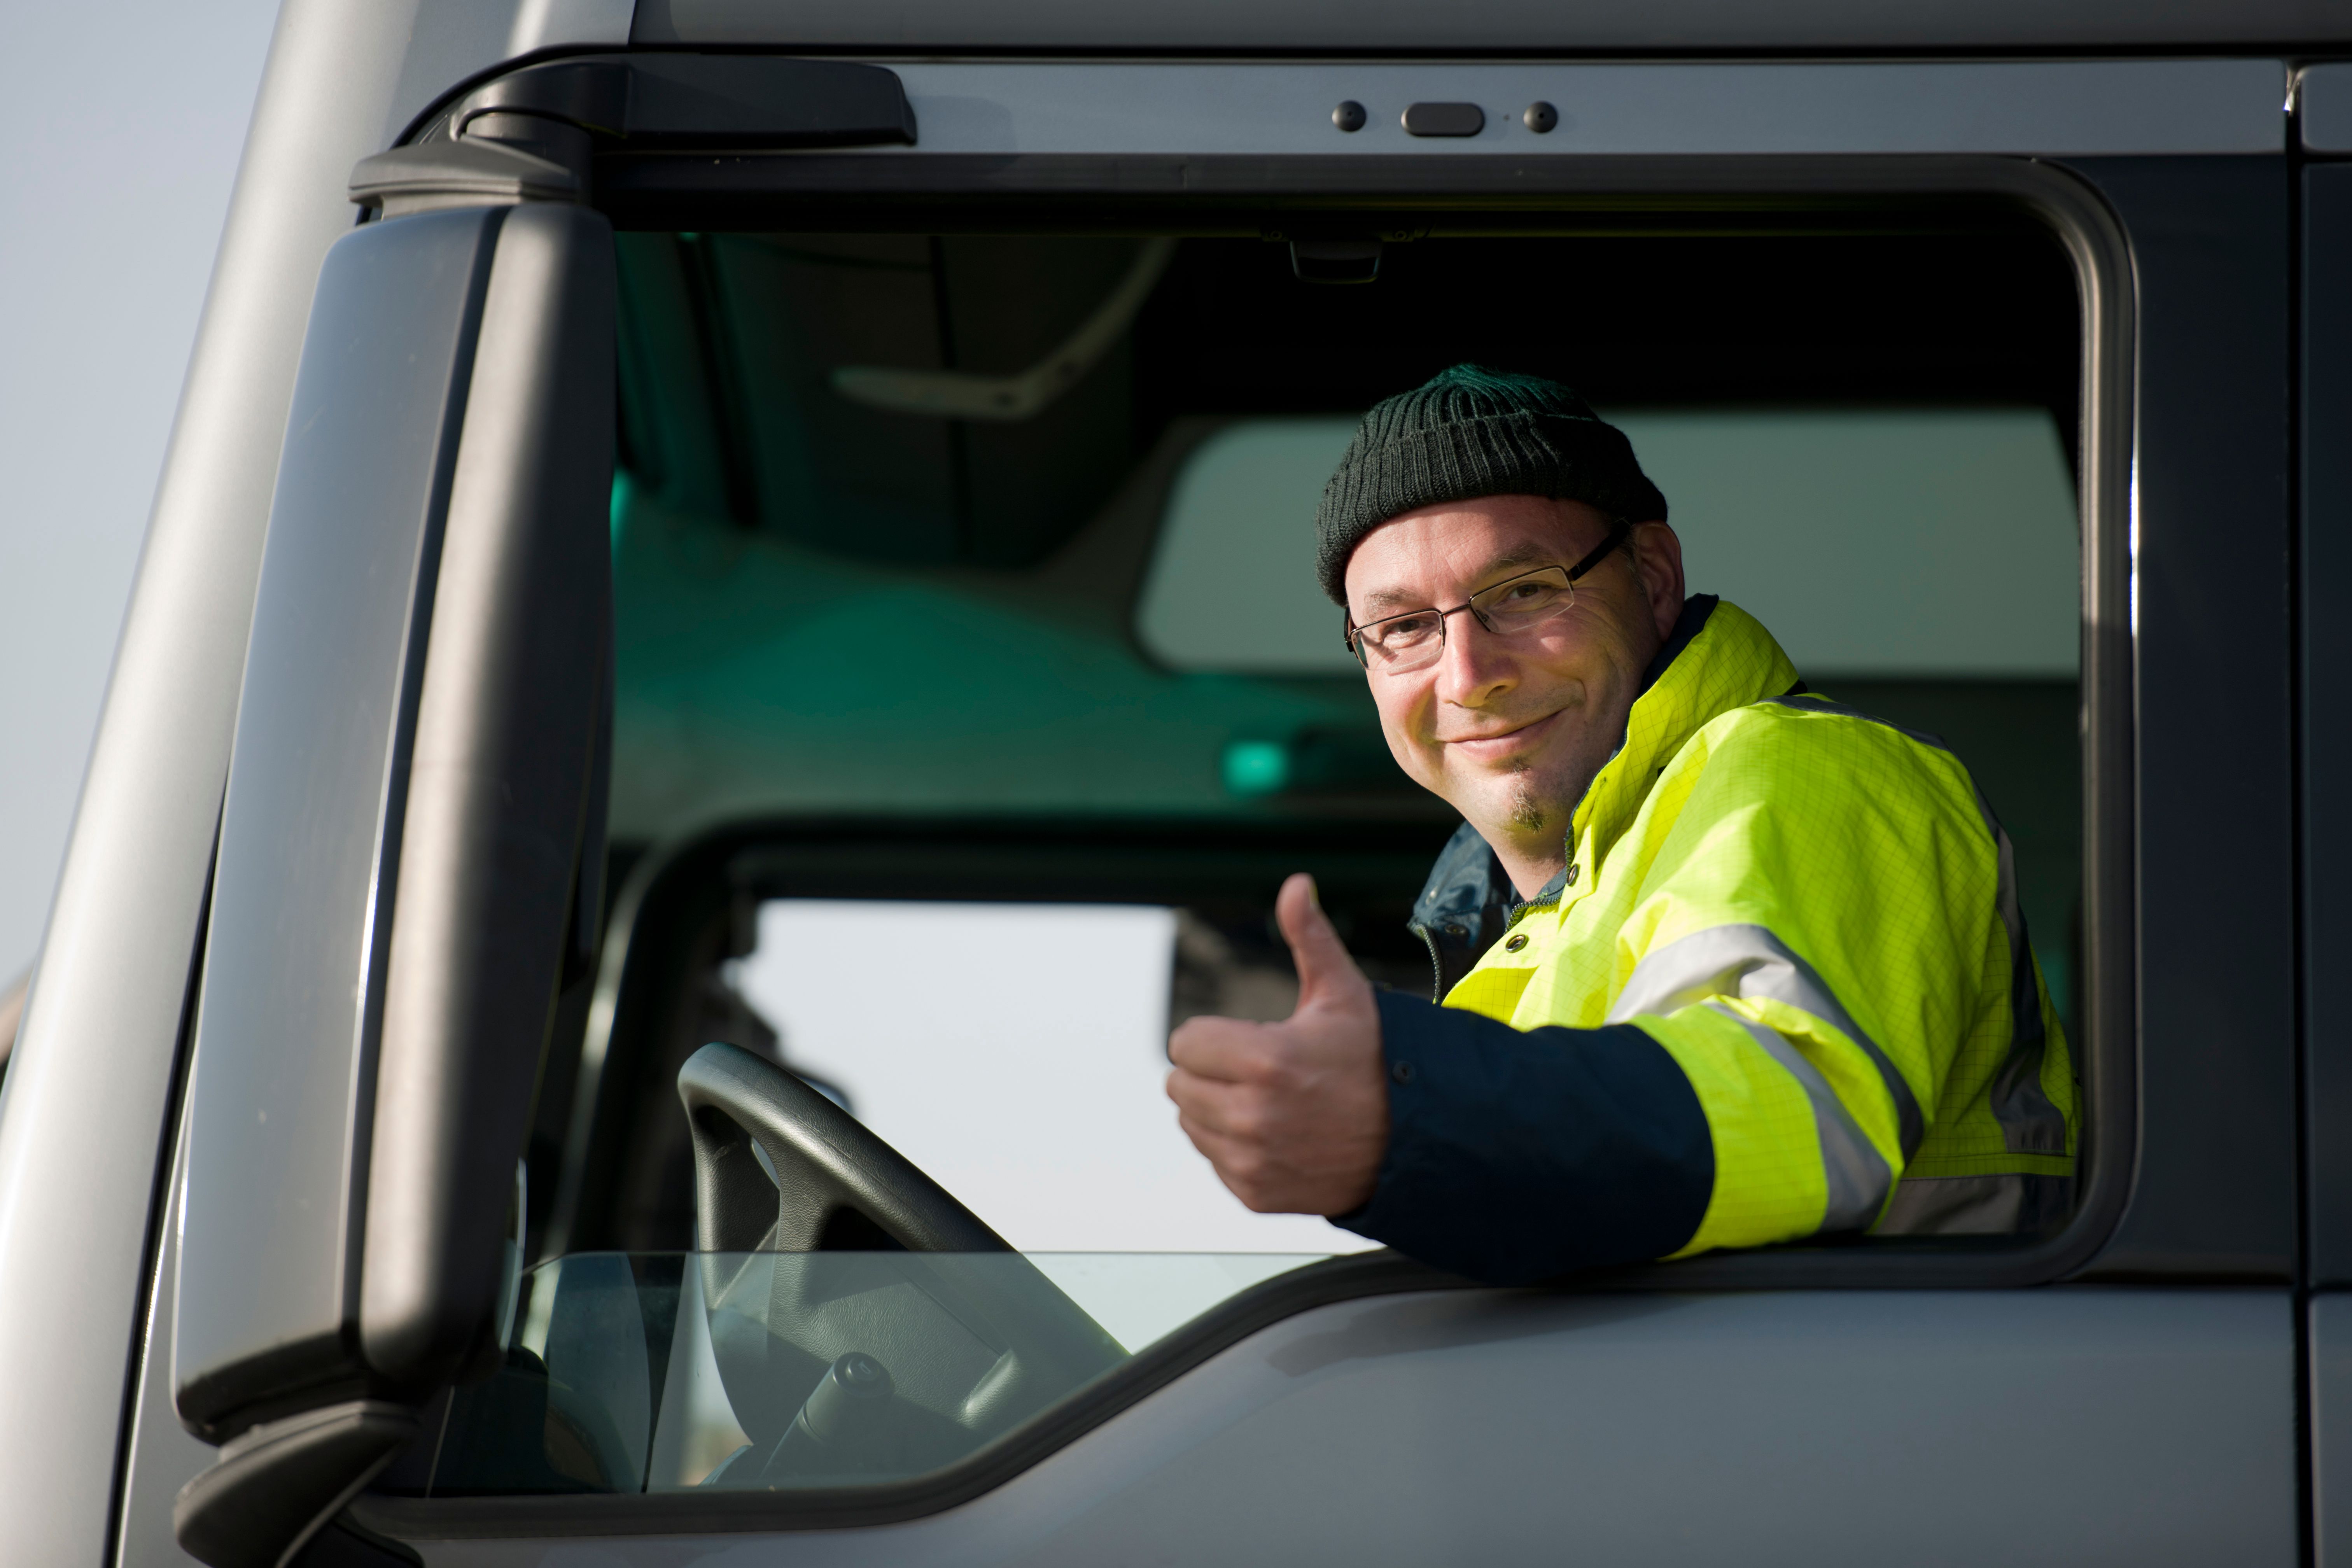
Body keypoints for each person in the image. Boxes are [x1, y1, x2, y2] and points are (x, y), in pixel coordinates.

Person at [1164, 365, 2077, 1283]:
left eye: (1523, 590)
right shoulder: (1538, 918)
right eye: (1402, 627)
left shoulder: (1799, 770)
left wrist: (1402, 1111)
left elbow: (1788, 1095)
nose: (1467, 673)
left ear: (1652, 578)